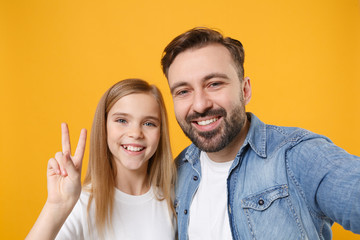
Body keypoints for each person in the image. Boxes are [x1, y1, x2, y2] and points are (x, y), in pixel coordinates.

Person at [161, 27, 360, 240]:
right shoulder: (176, 171)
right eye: (183, 91)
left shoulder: (298, 156)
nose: (200, 105)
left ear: (245, 90)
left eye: (214, 84)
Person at [26, 79, 176, 240]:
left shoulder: (174, 198)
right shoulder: (80, 203)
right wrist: (56, 206)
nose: (135, 133)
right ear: (103, 127)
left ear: (161, 132)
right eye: (122, 120)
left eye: (149, 123)